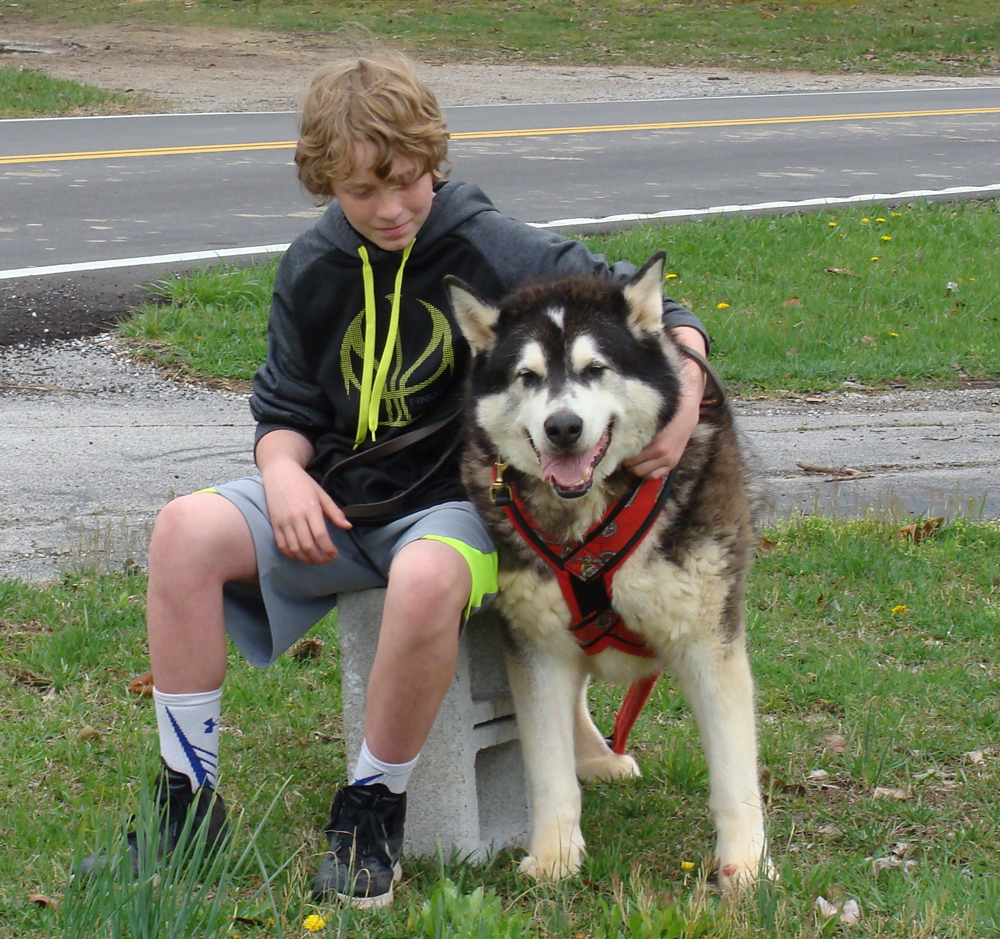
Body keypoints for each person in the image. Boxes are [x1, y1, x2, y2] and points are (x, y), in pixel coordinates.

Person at [82, 52, 711, 908]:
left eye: (405, 183)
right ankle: (188, 807)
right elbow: (284, 409)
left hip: (455, 509)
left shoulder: (486, 243)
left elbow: (656, 310)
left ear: (433, 161)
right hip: (337, 503)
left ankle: (371, 807)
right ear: (326, 185)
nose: (388, 210)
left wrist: (686, 396)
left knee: (424, 573)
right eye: (360, 193)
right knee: (180, 532)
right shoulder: (312, 267)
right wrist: (282, 474)